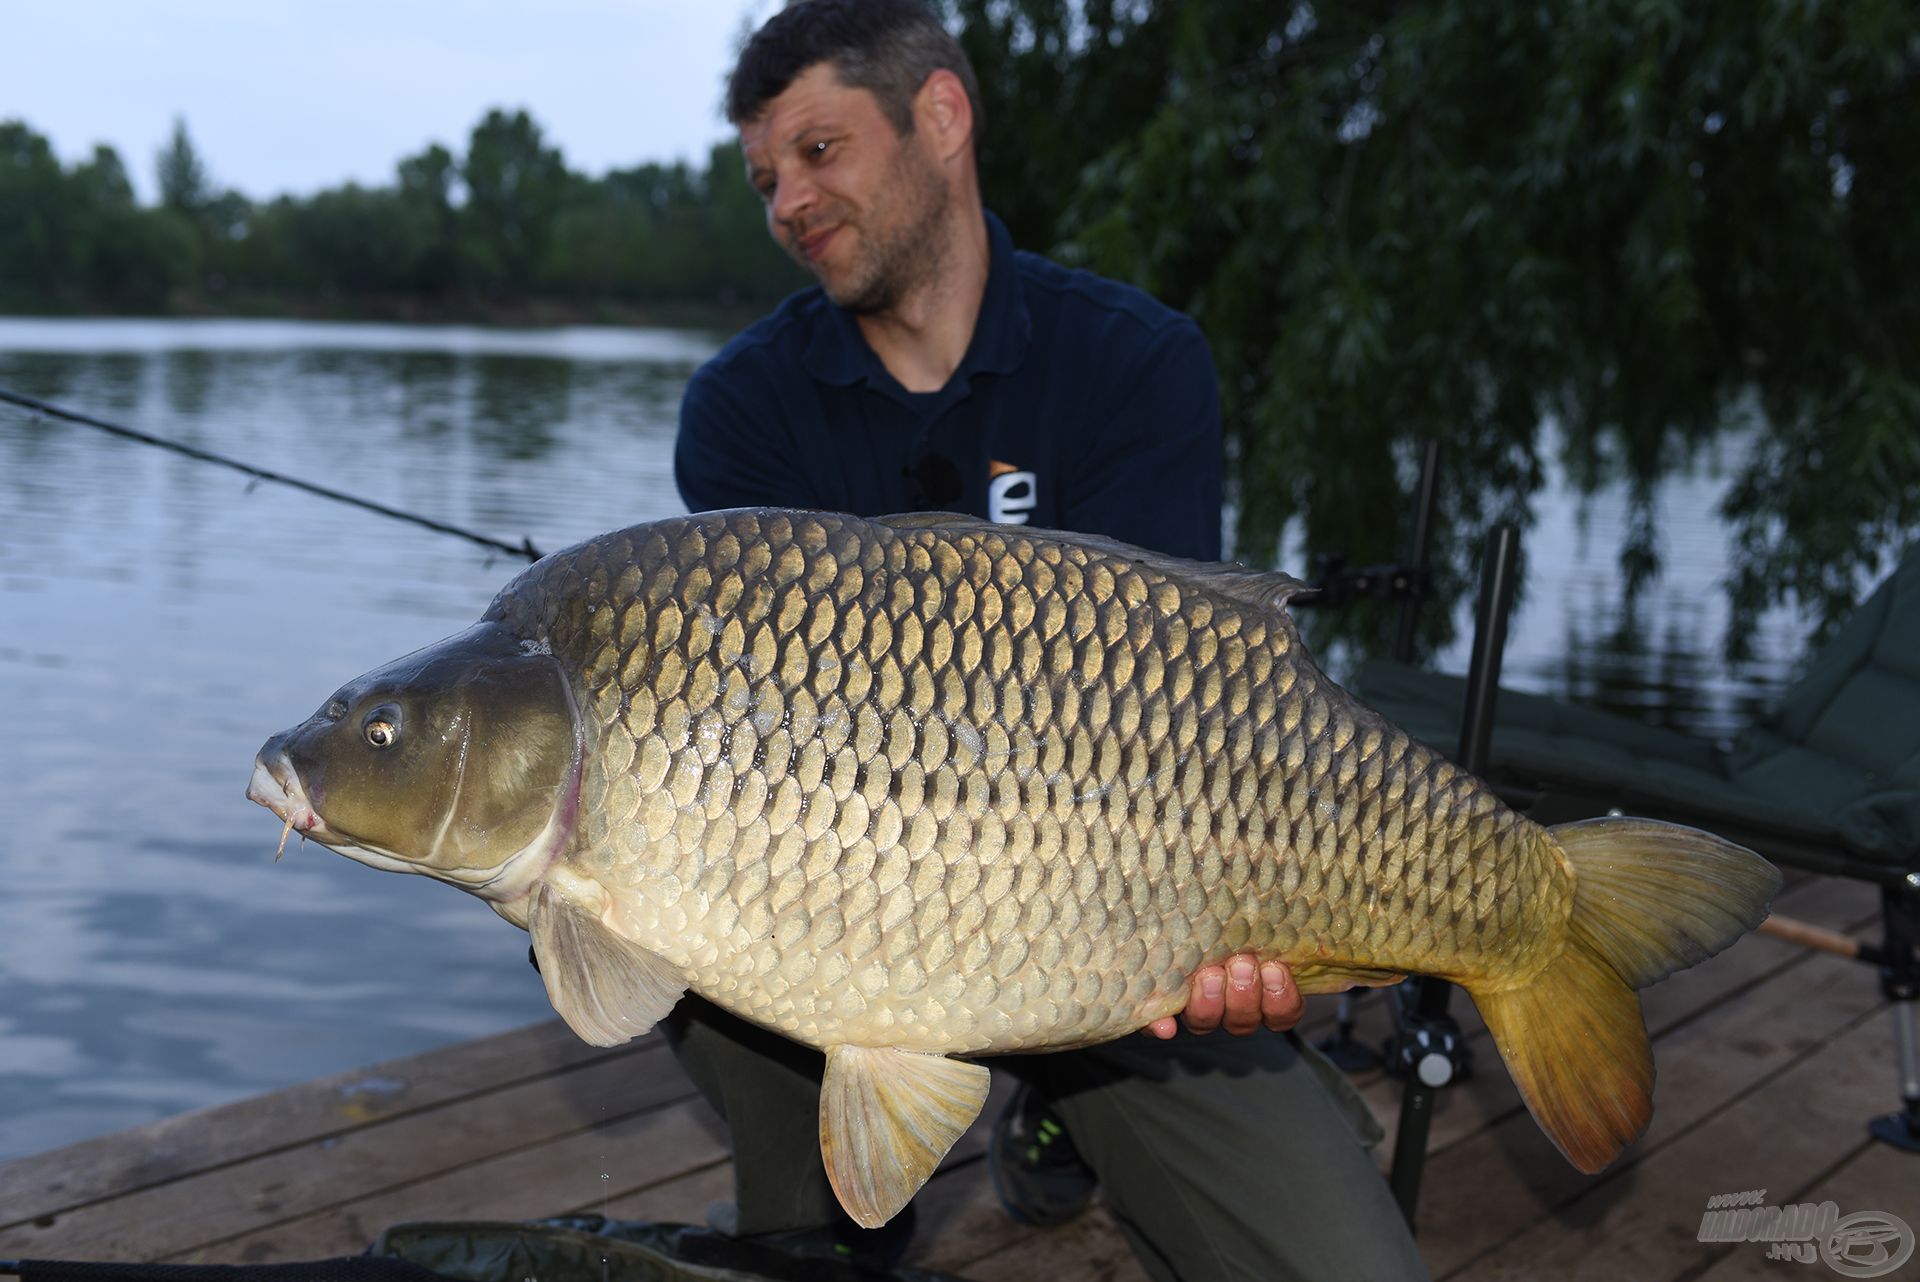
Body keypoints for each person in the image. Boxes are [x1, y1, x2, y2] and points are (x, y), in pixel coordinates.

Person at [671, 3, 1428, 1280]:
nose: (788, 202)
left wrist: (1250, 926)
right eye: (764, 179)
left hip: (1113, 917)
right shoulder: (744, 410)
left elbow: (1187, 716)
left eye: (818, 150)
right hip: (832, 909)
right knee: (663, 893)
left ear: (943, 118)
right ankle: (819, 1223)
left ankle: (1062, 1097)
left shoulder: (1137, 363)